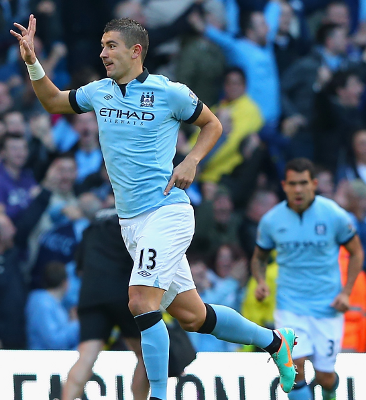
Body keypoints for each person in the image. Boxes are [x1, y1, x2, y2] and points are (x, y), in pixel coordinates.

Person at [11, 15, 297, 400]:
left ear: (136, 50)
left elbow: (212, 125)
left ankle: (159, 397)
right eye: (100, 46)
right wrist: (32, 60)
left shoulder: (170, 92)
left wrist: (192, 160)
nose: (102, 54)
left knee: (140, 301)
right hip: (131, 224)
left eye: (110, 46)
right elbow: (51, 101)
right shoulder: (100, 91)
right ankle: (275, 342)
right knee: (193, 316)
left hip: (167, 212)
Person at [251, 158, 364, 400]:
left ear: (314, 184)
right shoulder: (272, 220)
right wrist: (260, 281)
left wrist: (346, 292)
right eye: (293, 184)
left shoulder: (333, 215)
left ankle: (330, 391)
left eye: (303, 183)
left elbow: (356, 252)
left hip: (327, 307)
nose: (298, 189)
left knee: (325, 378)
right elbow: (259, 257)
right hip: (290, 306)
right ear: (284, 185)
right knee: (295, 369)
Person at [62, 209, 148, 400]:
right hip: (123, 294)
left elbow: (79, 269)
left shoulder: (91, 228)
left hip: (91, 294)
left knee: (86, 356)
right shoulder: (134, 221)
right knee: (146, 355)